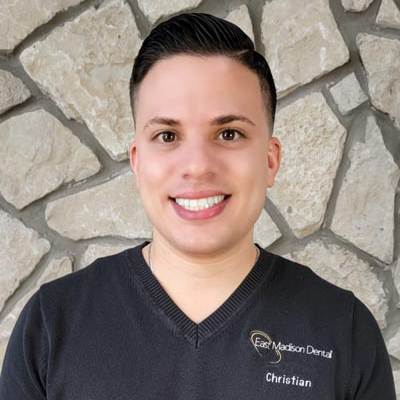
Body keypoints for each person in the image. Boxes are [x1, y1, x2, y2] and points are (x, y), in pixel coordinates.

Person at [0, 12, 396, 400]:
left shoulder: (342, 330)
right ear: (137, 162)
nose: (198, 166)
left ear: (270, 160)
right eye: (168, 136)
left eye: (229, 133)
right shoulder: (52, 326)